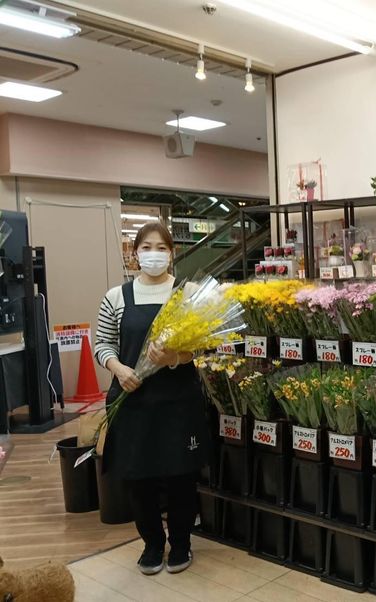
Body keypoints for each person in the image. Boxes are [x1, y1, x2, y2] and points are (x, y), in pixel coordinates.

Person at [95, 222, 208, 576]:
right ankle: (151, 544)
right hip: (132, 401)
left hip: (178, 402)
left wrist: (173, 357)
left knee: (180, 476)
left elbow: (203, 346)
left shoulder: (186, 294)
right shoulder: (116, 297)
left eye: (161, 247)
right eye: (146, 248)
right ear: (135, 254)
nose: (153, 254)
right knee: (138, 477)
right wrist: (119, 369)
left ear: (172, 254)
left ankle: (181, 544)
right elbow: (102, 344)